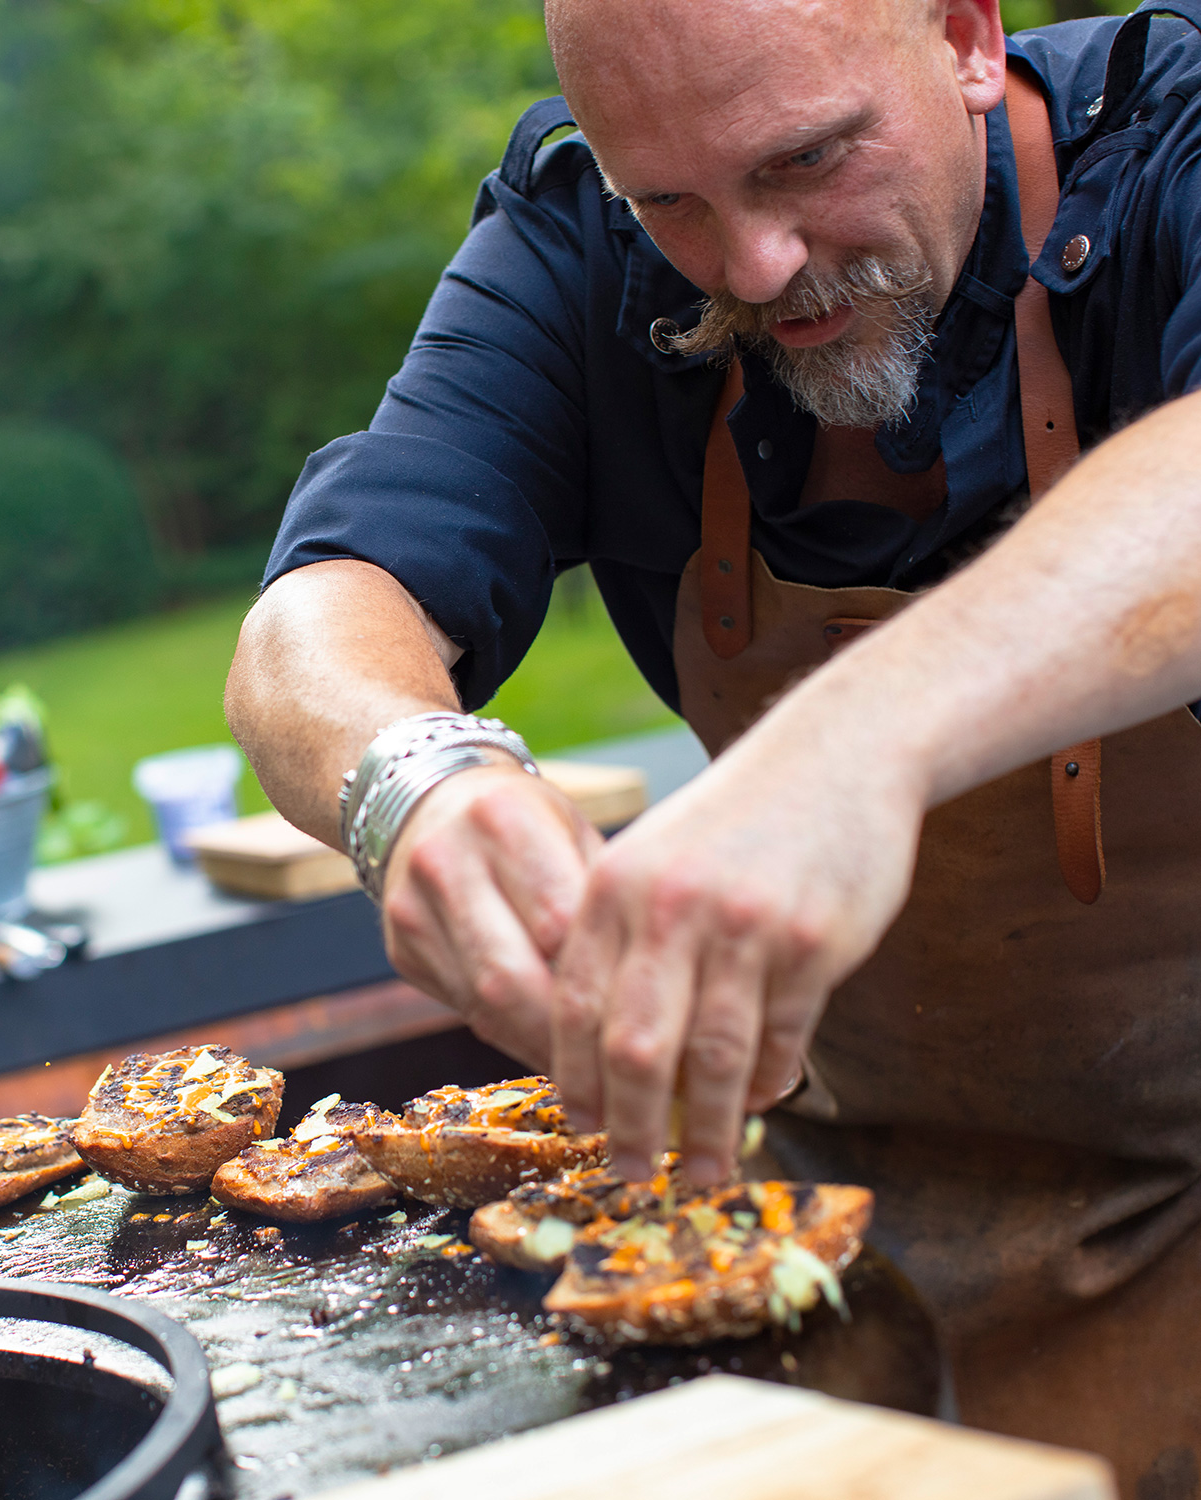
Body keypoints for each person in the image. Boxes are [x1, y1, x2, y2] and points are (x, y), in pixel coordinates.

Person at [227, 0, 1201, 1487]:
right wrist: (409, 778)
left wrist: (855, 741)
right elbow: (320, 614)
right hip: (824, 1260)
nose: (755, 267)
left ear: (961, 34)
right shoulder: (576, 253)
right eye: (668, 199)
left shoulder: (1178, 137)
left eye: (809, 161)